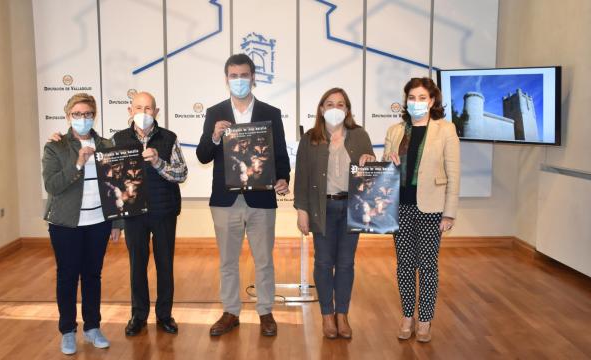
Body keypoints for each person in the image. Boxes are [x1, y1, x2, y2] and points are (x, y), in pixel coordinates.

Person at [196, 54, 291, 337]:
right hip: (226, 200)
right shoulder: (215, 113)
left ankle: (265, 311)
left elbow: (281, 153)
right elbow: (202, 156)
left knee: (263, 259)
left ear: (253, 77)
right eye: (233, 75)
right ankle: (230, 311)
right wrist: (214, 136)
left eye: (244, 75)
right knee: (227, 260)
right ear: (226, 79)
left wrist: (283, 177)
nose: (239, 80)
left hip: (261, 198)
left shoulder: (270, 112)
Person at [293, 87, 376, 339]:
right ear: (321, 109)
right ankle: (327, 316)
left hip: (352, 208)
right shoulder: (310, 138)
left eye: (341, 104)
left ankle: (343, 314)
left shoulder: (360, 135)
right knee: (323, 262)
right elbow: (302, 179)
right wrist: (302, 210)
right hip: (322, 208)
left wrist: (370, 161)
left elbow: (372, 172)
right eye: (329, 103)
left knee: (346, 263)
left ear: (347, 110)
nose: (335, 108)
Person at [42, 93, 121, 355]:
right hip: (65, 224)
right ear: (68, 116)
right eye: (77, 114)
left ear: (94, 116)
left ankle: (92, 327)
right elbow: (52, 185)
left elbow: (116, 187)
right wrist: (78, 164)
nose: (83, 119)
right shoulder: (56, 147)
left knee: (92, 276)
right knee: (67, 277)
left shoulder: (107, 144)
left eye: (88, 114)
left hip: (98, 222)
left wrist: (116, 222)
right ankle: (67, 331)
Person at [382, 77, 460, 342]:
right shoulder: (395, 131)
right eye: (412, 98)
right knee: (404, 265)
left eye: (422, 98)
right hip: (399, 206)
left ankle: (425, 320)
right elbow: (384, 170)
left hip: (431, 208)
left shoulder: (445, 130)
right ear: (406, 101)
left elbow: (454, 173)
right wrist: (388, 161)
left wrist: (449, 213)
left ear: (432, 101)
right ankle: (407, 316)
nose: (416, 103)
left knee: (428, 266)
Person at [116, 92, 188, 336]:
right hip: (134, 213)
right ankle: (138, 316)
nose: (143, 113)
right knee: (137, 265)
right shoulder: (118, 140)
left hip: (164, 211)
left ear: (156, 112)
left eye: (148, 109)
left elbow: (181, 174)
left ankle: (165, 315)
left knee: (164, 264)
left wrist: (158, 163)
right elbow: (112, 181)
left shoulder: (169, 138)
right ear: (130, 111)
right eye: (138, 108)